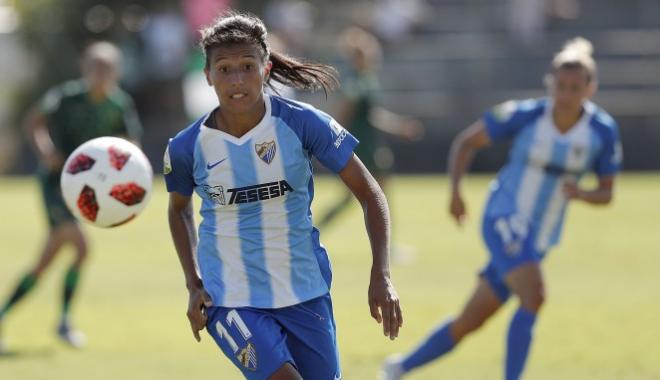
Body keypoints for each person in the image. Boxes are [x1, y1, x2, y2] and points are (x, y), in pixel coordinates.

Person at [164, 12, 403, 380]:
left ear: (266, 68)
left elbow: (371, 193)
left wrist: (381, 274)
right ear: (208, 75)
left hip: (305, 291)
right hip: (230, 298)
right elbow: (179, 211)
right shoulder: (187, 146)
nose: (237, 79)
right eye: (224, 69)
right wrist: (194, 284)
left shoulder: (301, 123)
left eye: (247, 65)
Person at [380, 37, 622, 380]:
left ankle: (398, 367)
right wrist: (456, 191)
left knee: (471, 321)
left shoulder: (602, 132)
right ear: (550, 84)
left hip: (538, 237)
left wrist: (582, 194)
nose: (566, 95)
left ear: (590, 89)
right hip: (503, 217)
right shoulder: (525, 115)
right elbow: (467, 141)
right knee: (535, 296)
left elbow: (607, 193)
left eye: (575, 87)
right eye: (561, 86)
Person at [0, 41, 142, 352]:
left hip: (85, 192)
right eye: (95, 67)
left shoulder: (119, 104)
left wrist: (127, 175)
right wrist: (46, 151)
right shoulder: (66, 97)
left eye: (106, 68)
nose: (100, 74)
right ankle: (63, 323)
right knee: (79, 246)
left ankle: (20, 318)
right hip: (55, 184)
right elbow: (33, 121)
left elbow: (130, 144)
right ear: (85, 68)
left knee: (47, 261)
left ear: (115, 71)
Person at [316, 26, 422, 230]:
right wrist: (331, 148)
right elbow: (343, 116)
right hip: (362, 149)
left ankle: (315, 232)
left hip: (369, 147)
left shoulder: (366, 80)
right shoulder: (356, 83)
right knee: (375, 197)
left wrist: (399, 127)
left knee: (363, 197)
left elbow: (374, 116)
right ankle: (315, 232)